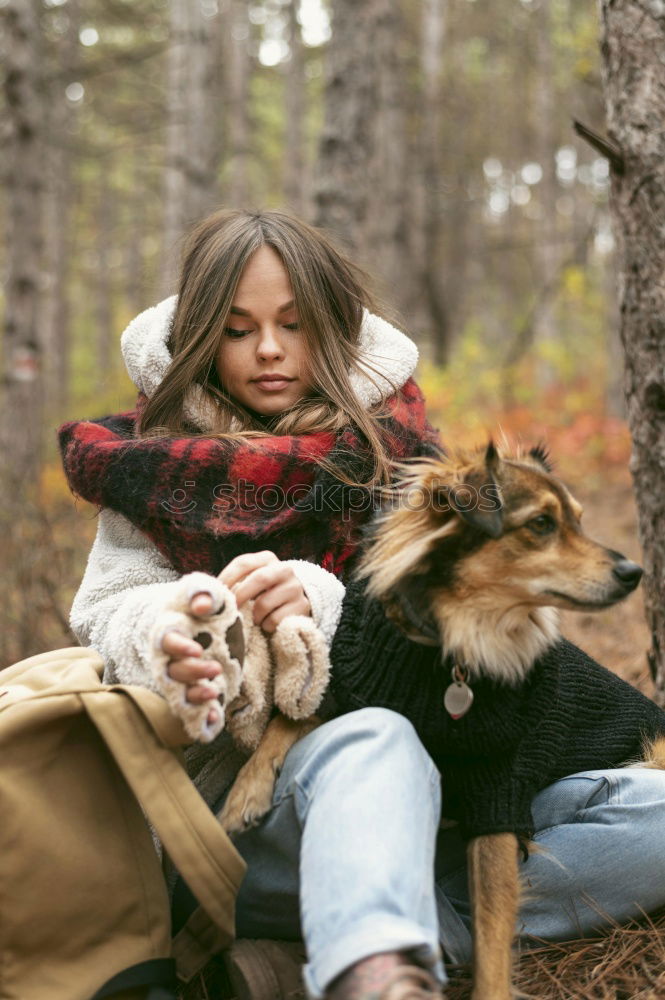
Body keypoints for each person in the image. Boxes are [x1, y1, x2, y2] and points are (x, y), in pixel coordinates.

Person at [59, 208, 665, 1000]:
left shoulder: (399, 457)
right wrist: (180, 622)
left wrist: (318, 595)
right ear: (203, 338)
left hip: (441, 808)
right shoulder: (151, 469)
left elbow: (453, 622)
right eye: (238, 330)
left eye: (294, 325)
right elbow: (107, 613)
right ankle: (376, 976)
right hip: (249, 817)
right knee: (373, 738)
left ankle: (335, 947)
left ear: (336, 332)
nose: (269, 350)